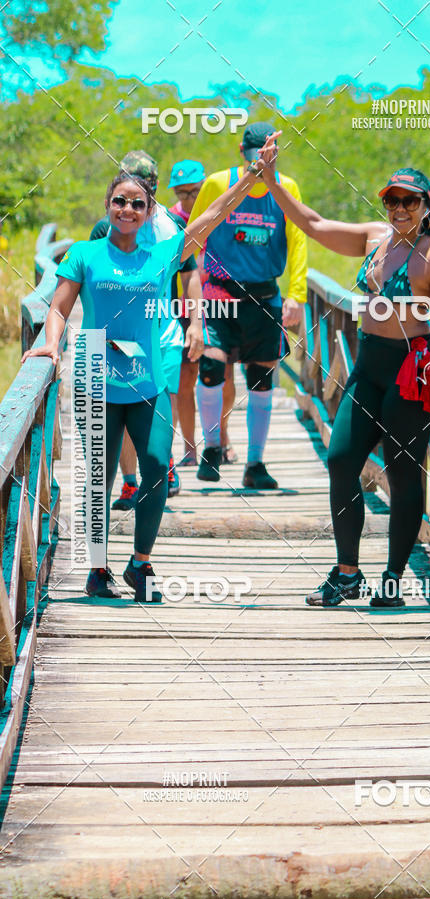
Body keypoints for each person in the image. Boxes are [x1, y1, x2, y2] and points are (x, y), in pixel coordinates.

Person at [22, 145, 273, 602]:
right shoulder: (84, 253)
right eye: (120, 201)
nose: (128, 209)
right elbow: (58, 309)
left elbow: (214, 213)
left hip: (147, 380)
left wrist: (252, 174)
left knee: (157, 466)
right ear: (108, 205)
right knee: (98, 476)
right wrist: (48, 347)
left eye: (138, 203)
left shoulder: (163, 253)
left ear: (149, 208)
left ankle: (140, 562)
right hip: (98, 374)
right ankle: (97, 568)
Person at [260, 149, 430, 607]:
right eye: (392, 201)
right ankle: (347, 572)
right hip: (368, 365)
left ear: (427, 206)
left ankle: (393, 581)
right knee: (340, 459)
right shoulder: (376, 238)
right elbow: (314, 225)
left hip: (409, 372)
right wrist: (273, 180)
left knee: (402, 476)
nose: (399, 209)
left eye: (410, 202)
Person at [189, 121, 307, 489]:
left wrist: (297, 295)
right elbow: (194, 233)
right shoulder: (217, 183)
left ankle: (255, 463)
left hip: (264, 294)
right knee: (210, 367)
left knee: (261, 379)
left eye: (269, 153)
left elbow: (299, 238)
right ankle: (212, 447)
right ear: (243, 152)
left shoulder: (286, 188)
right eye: (257, 153)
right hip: (219, 290)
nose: (262, 159)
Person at [90, 151, 203, 505]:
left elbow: (191, 274)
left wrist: (196, 323)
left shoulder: (171, 226)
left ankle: (162, 462)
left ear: (153, 190)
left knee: (159, 402)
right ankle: (129, 481)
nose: (130, 204)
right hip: (114, 337)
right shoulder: (101, 229)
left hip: (160, 331)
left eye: (141, 193)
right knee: (121, 409)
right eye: (124, 194)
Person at [167, 159, 211, 468]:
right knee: (185, 380)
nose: (189, 200)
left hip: (222, 301)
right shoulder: (170, 221)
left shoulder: (220, 213)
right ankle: (189, 447)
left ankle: (221, 441)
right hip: (185, 309)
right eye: (182, 193)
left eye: (195, 192)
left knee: (217, 376)